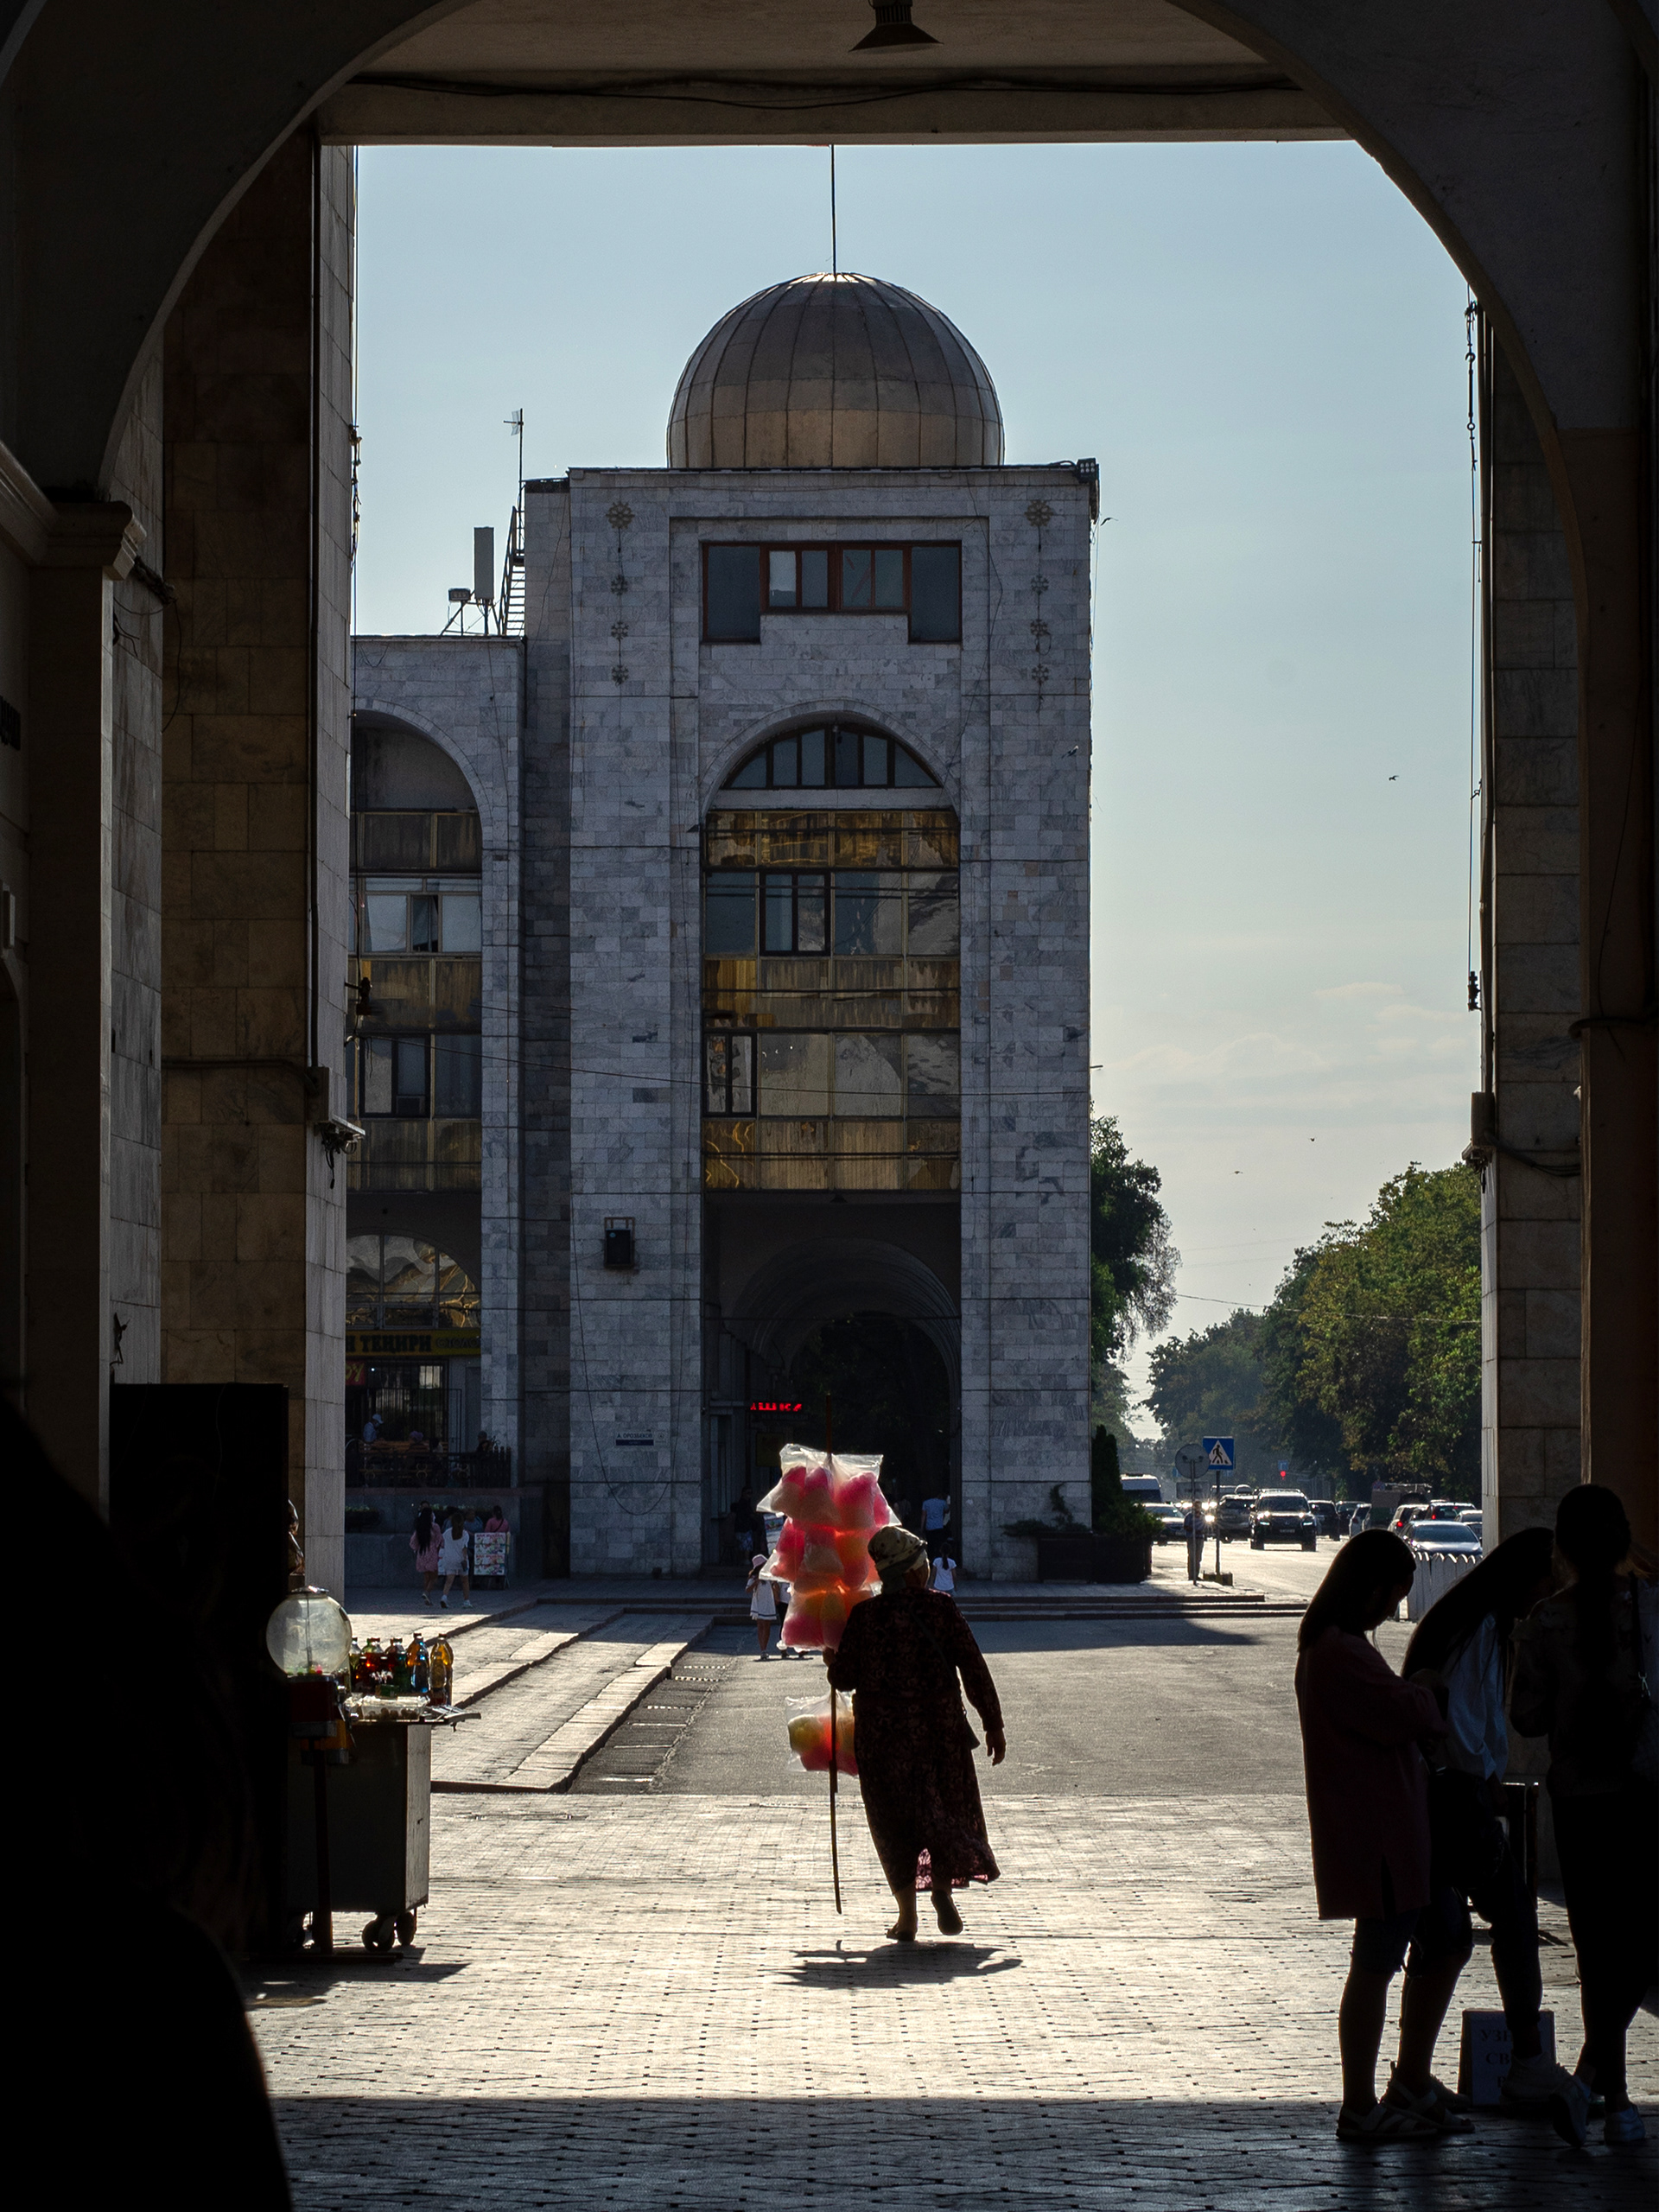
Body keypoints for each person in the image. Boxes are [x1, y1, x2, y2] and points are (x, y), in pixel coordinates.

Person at [1295, 1529, 1470, 2142]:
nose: (1393, 1608)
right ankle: (1361, 2103)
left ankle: (1407, 2079)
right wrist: (1424, 1691)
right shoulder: (1339, 1651)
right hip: (1378, 1832)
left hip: (1395, 1826)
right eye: (1393, 1595)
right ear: (1369, 1588)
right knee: (1375, 1965)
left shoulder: (1338, 1646)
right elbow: (1403, 1714)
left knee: (1446, 1939)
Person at [1401, 1527, 1570, 2108]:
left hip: (1453, 1793)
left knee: (1447, 1937)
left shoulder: (1479, 1626)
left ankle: (1413, 2076)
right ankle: (1526, 2060)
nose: (1549, 1594)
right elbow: (1463, 1722)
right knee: (1512, 1921)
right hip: (1455, 1798)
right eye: (1548, 1580)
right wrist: (1483, 1779)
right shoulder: (1477, 1633)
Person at [1511, 1484, 1658, 2148]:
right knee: (1643, 1946)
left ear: (1563, 1549)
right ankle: (1596, 2087)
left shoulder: (1545, 1621)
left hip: (1576, 1802)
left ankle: (1611, 2095)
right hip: (1644, 1794)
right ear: (1626, 1538)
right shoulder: (1652, 1611)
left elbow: (1528, 1717)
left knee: (1597, 1951)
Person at [825, 1524, 1005, 1943]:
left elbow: (846, 1678)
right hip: (939, 1733)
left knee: (894, 1824)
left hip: (882, 1741)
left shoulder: (866, 1616)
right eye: (923, 1566)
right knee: (943, 1811)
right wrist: (992, 1722)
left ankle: (907, 1917)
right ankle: (941, 1889)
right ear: (911, 1574)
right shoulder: (941, 1609)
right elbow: (973, 1666)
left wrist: (831, 1660)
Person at [437, 1507, 472, 1608]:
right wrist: (465, 1560)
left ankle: (444, 1597)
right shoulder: (465, 1534)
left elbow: (442, 1544)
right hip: (460, 1560)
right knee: (465, 1581)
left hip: (449, 1559)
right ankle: (466, 1601)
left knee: (449, 1581)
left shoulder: (447, 1533)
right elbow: (464, 1548)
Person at [747, 1552, 779, 1658]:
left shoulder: (769, 1576)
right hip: (759, 1602)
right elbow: (747, 1590)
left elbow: (774, 1587)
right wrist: (756, 1582)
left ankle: (765, 1647)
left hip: (768, 1602)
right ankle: (762, 1649)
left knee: (767, 1626)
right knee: (760, 1625)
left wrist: (776, 1596)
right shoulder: (754, 1577)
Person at [410, 1500, 441, 1605]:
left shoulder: (419, 1528)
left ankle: (427, 1598)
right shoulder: (435, 1527)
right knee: (434, 1575)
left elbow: (413, 1541)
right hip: (432, 1552)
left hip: (422, 1552)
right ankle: (427, 1592)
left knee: (426, 1576)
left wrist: (417, 1549)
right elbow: (439, 1540)